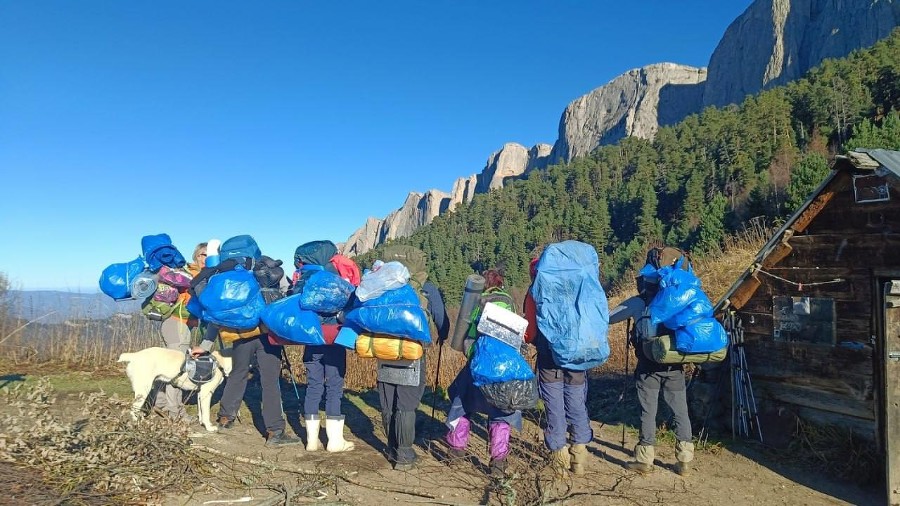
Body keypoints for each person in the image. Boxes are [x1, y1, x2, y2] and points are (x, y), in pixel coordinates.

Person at [190, 239, 301, 447]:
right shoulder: (265, 270)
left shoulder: (224, 276)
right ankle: (275, 431)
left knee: (238, 373)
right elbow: (286, 298)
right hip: (266, 334)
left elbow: (218, 315)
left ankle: (225, 417)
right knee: (270, 380)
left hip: (239, 334)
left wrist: (205, 346)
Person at [608, 246, 694, 476]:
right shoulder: (679, 299)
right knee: (680, 410)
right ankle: (684, 461)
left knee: (648, 411)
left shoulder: (640, 302)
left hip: (648, 367)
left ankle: (645, 460)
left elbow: (609, 318)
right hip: (675, 364)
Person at [375, 245, 449, 470]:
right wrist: (442, 335)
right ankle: (404, 455)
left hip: (384, 350)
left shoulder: (381, 284)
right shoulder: (425, 286)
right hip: (412, 352)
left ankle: (391, 447)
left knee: (388, 402)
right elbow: (441, 319)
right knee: (406, 405)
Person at [444, 268, 522, 477]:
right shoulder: (510, 304)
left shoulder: (480, 303)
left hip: (479, 367)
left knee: (462, 403)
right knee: (500, 414)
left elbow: (469, 339)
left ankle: (456, 451)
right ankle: (498, 463)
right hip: (503, 369)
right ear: (500, 284)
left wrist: (472, 354)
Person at [523, 257, 593, 477]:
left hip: (549, 357)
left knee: (554, 407)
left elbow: (530, 333)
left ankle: (560, 459)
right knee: (577, 403)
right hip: (576, 356)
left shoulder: (534, 292)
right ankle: (579, 456)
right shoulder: (574, 287)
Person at [291, 240, 358, 452]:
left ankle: (311, 441)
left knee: (313, 386)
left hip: (311, 338)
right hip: (333, 338)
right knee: (334, 387)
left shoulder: (303, 277)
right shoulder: (334, 275)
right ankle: (335, 442)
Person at [152, 241, 206, 422]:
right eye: (202, 255)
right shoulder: (191, 275)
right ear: (196, 256)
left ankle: (160, 404)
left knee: (166, 366)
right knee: (176, 369)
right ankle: (175, 413)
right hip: (178, 325)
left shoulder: (186, 272)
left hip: (174, 324)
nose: (205, 259)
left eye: (209, 255)